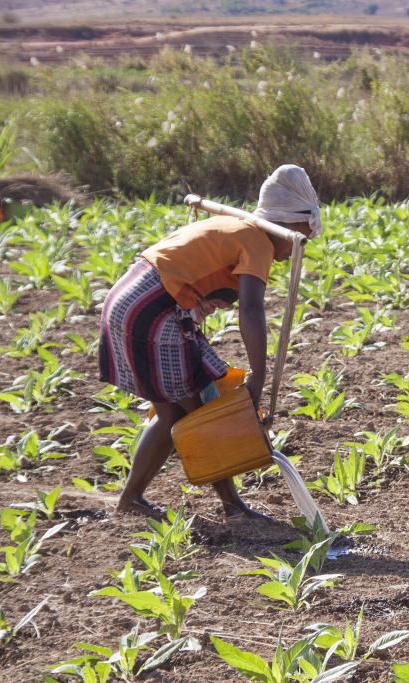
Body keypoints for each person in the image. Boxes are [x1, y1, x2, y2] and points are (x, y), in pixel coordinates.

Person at [98, 164, 321, 519]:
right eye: (304, 233)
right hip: (151, 308)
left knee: (180, 411)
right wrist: (258, 376)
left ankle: (139, 501)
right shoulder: (258, 242)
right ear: (292, 225)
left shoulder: (240, 229)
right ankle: (229, 505)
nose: (300, 246)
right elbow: (250, 309)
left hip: (133, 298)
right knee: (199, 411)